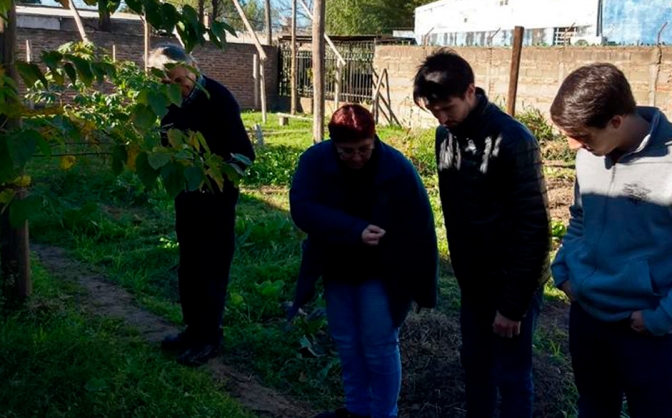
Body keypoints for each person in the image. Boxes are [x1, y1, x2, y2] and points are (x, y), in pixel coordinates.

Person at [412, 49, 550, 418]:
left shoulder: (514, 140)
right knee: (475, 365)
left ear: (471, 91)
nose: (442, 118)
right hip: (474, 283)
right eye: (434, 111)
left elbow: (534, 228)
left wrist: (512, 306)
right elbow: (456, 212)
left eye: (448, 108)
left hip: (510, 284)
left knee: (512, 374)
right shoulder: (446, 137)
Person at [288, 104, 438, 418]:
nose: (356, 157)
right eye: (347, 151)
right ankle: (356, 410)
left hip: (384, 271)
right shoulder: (315, 162)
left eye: (364, 149)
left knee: (379, 344)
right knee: (347, 342)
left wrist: (425, 288)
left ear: (375, 138)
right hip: (338, 267)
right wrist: (353, 230)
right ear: (333, 145)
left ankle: (384, 413)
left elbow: (422, 228)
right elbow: (302, 208)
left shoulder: (396, 168)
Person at [549, 63, 672, 418]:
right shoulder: (589, 157)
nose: (575, 145)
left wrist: (661, 317)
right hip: (587, 316)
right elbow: (579, 218)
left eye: (583, 136)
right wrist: (564, 268)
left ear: (616, 121)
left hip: (645, 331)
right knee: (593, 407)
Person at [148, 44, 255, 367]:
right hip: (187, 196)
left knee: (212, 267)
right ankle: (193, 329)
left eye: (181, 80)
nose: (177, 88)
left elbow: (244, 155)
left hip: (217, 200)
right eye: (166, 84)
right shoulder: (167, 103)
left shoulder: (218, 99)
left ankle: (209, 336)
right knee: (190, 264)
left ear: (193, 69)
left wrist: (210, 174)